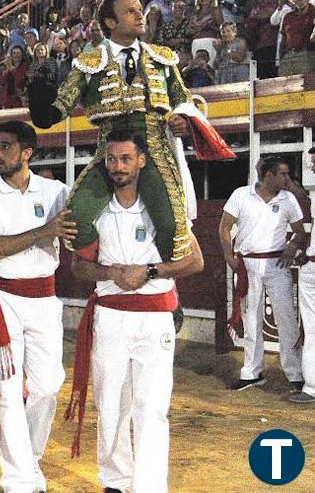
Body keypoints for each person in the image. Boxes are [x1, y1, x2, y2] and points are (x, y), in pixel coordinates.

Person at [28, 0, 231, 264]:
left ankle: (154, 277)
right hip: (109, 153)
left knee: (174, 231)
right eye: (131, 11)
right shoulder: (88, 63)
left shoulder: (162, 58)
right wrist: (39, 98)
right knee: (74, 224)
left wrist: (183, 118)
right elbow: (58, 109)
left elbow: (182, 99)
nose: (140, 15)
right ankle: (112, 262)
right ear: (111, 23)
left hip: (154, 152)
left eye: (140, 10)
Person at [67, 129, 204, 493]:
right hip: (109, 315)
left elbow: (196, 262)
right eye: (111, 159)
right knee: (110, 403)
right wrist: (112, 273)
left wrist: (150, 272)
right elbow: (78, 268)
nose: (118, 166)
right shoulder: (95, 210)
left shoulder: (164, 208)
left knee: (152, 405)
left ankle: (149, 486)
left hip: (154, 317)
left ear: (142, 160)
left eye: (126, 158)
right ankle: (115, 481)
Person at [0, 121, 73, 492]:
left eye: (6, 146)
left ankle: (29, 461)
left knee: (48, 386)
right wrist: (45, 232)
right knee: (7, 391)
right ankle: (19, 479)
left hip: (44, 296)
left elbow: (79, 232)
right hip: (1, 298)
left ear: (27, 152)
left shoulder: (57, 191)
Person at [218, 156, 305, 391]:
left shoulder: (288, 199)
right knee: (251, 319)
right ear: (269, 175)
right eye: (283, 174)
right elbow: (224, 227)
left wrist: (292, 246)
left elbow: (300, 231)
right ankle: (251, 372)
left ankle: (295, 373)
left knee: (286, 318)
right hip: (248, 264)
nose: (287, 178)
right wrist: (229, 256)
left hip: (278, 264)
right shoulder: (241, 194)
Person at [292, 146, 315, 404]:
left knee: (312, 328)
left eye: (314, 161)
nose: (311, 166)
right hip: (311, 264)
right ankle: (311, 386)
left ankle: (311, 387)